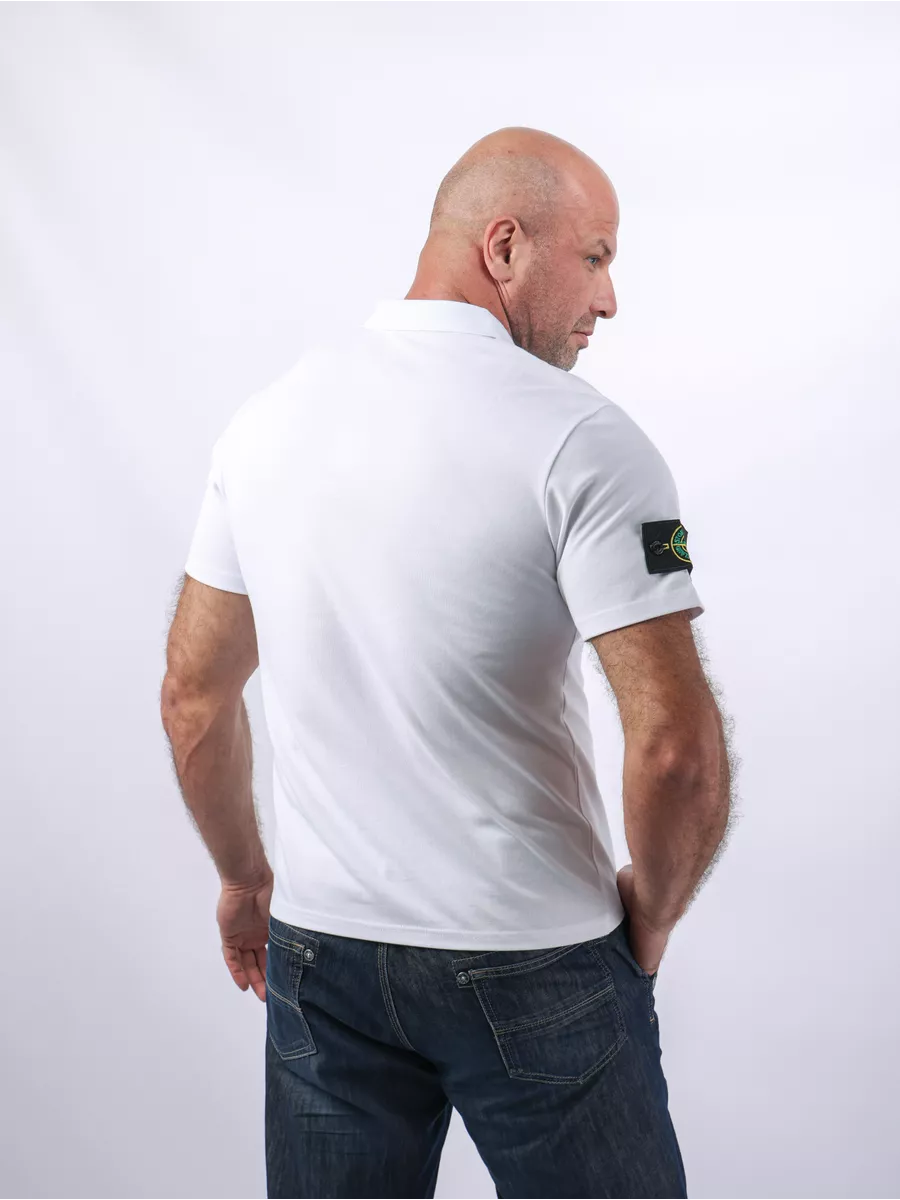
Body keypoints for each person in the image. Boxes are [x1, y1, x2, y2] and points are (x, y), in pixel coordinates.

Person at [161, 125, 733, 1200]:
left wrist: (244, 879)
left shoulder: (267, 423)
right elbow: (674, 749)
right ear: (504, 247)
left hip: (322, 952)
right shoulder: (584, 440)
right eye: (596, 257)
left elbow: (195, 696)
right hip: (537, 955)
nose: (609, 300)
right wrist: (653, 916)